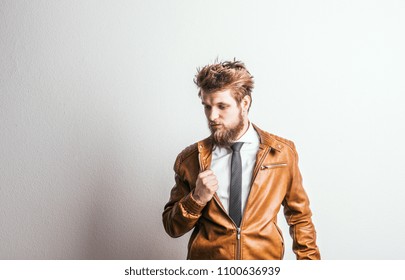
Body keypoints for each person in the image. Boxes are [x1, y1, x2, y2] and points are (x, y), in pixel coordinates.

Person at [162, 60, 320, 260]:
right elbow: (171, 227)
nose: (212, 116)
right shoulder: (191, 160)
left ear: (244, 103)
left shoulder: (281, 153)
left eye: (222, 106)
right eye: (207, 106)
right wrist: (197, 199)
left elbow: (300, 218)